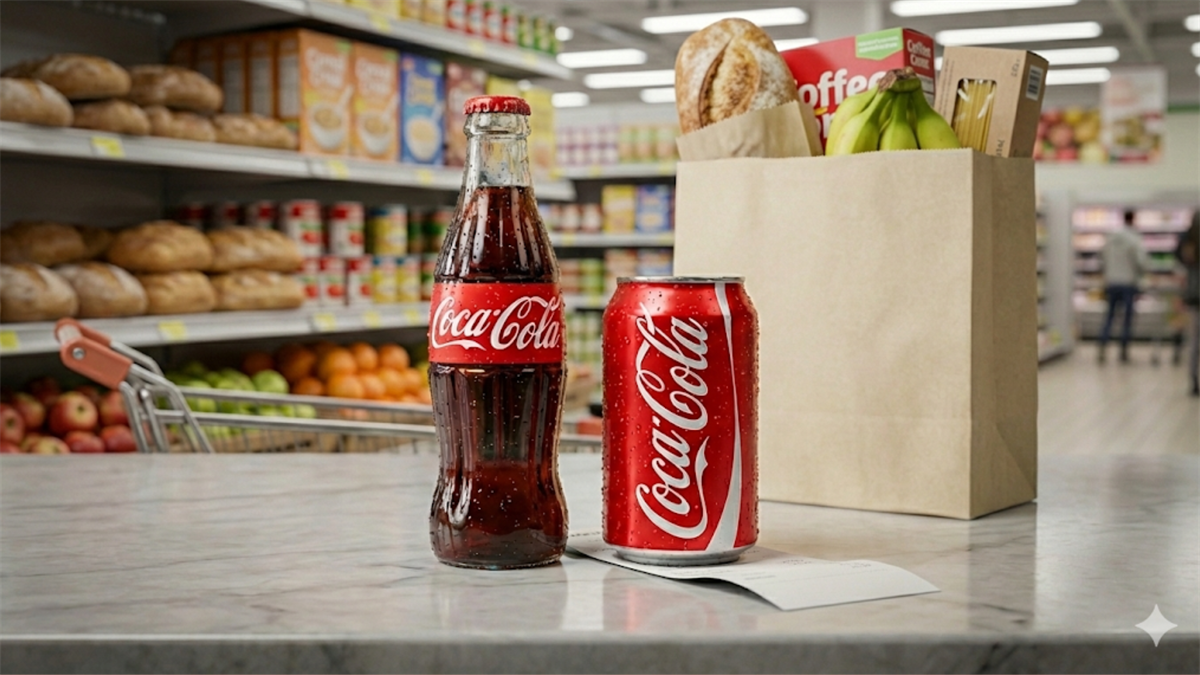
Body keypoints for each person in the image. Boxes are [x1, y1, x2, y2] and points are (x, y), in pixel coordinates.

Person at [1097, 209, 1149, 364]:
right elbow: (1141, 262)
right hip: (1128, 283)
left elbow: (1102, 259)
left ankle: (1102, 346)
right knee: (1127, 319)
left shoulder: (1111, 237)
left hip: (1111, 282)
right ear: (1133, 219)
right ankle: (1123, 351)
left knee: (1109, 316)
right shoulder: (1134, 239)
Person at [1175, 209, 1200, 396]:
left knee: (1195, 340)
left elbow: (1181, 262)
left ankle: (1193, 379)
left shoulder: (1187, 242)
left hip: (1194, 294)